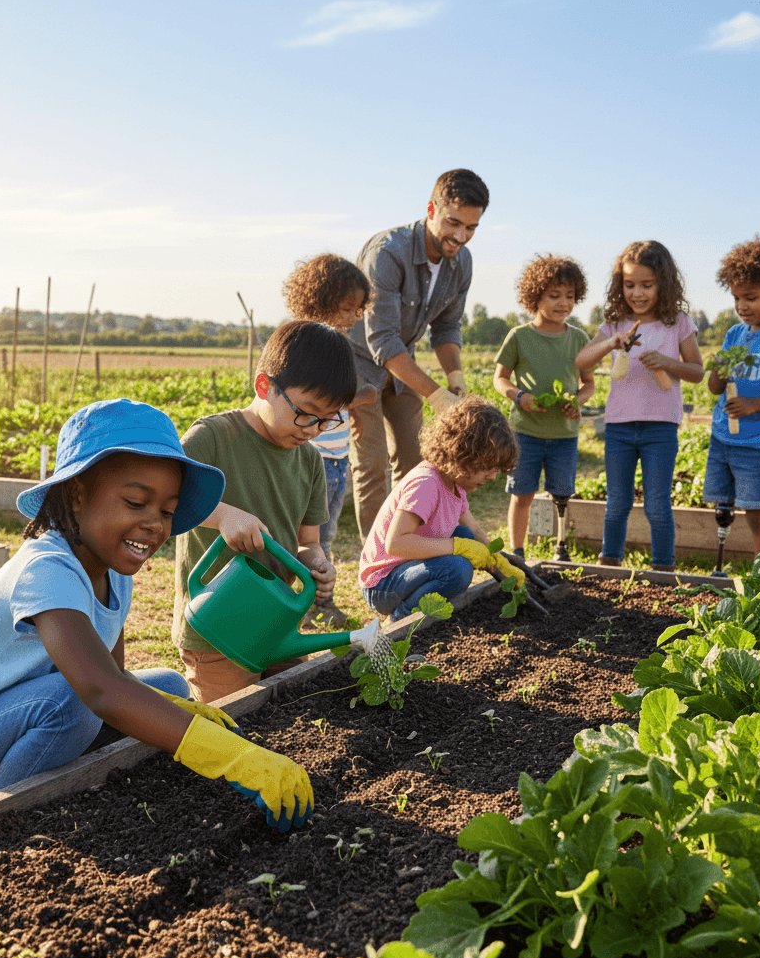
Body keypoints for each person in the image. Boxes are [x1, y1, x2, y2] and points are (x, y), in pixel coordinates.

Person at [0, 399, 313, 831]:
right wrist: (232, 756)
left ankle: (54, 772)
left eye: (166, 511)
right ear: (76, 495)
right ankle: (2, 816)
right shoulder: (47, 569)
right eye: (135, 502)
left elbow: (116, 675)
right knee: (76, 700)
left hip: (18, 711)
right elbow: (99, 688)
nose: (154, 524)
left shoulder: (112, 570)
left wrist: (185, 715)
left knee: (167, 684)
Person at [173, 320, 358, 704]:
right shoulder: (212, 438)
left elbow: (308, 543)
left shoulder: (309, 461)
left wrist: (317, 564)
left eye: (329, 419)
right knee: (232, 724)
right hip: (218, 624)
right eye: (306, 413)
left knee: (298, 707)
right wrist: (223, 515)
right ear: (264, 386)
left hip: (275, 619)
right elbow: (166, 501)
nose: (314, 429)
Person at [346, 168, 490, 542]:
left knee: (418, 461)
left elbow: (446, 327)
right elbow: (382, 342)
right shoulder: (388, 253)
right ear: (431, 209)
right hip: (359, 366)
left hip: (402, 365)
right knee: (372, 464)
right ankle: (378, 563)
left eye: (471, 228)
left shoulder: (462, 262)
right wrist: (436, 394)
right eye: (453, 223)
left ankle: (412, 545)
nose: (460, 236)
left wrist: (454, 379)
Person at [575, 241, 704, 570]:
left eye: (647, 285)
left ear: (664, 283)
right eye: (630, 285)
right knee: (617, 502)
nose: (638, 293)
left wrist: (665, 361)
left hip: (660, 427)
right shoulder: (616, 323)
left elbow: (697, 372)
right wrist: (610, 343)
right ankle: (609, 565)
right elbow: (581, 360)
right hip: (618, 427)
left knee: (657, 504)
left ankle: (663, 567)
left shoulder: (677, 322)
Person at [359, 396, 524, 621]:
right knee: (458, 570)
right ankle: (399, 620)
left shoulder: (455, 483)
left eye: (496, 469)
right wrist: (458, 547)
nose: (493, 476)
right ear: (463, 454)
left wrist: (499, 563)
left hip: (408, 569)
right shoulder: (426, 484)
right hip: (383, 581)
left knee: (466, 536)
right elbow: (396, 543)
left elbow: (474, 532)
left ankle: (416, 607)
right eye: (487, 467)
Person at [282, 253, 379, 627]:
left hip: (337, 457)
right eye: (346, 308)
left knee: (326, 536)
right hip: (311, 455)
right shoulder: (304, 344)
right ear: (318, 302)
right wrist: (361, 396)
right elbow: (322, 396)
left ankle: (319, 604)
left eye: (359, 309)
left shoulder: (340, 346)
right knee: (304, 537)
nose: (355, 316)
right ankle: (298, 606)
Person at [493, 255, 595, 558]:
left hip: (564, 434)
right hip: (525, 433)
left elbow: (588, 384)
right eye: (554, 296)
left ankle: (561, 547)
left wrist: (578, 401)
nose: (563, 303)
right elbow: (500, 379)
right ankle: (519, 552)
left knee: (562, 494)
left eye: (570, 296)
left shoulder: (578, 339)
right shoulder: (519, 336)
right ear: (534, 296)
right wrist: (519, 396)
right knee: (522, 493)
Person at [703, 236, 760, 554]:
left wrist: (754, 405)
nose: (741, 306)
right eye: (736, 298)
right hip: (724, 437)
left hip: (758, 441)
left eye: (751, 297)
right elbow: (713, 388)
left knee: (757, 512)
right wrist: (719, 370)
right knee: (727, 506)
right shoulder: (734, 334)